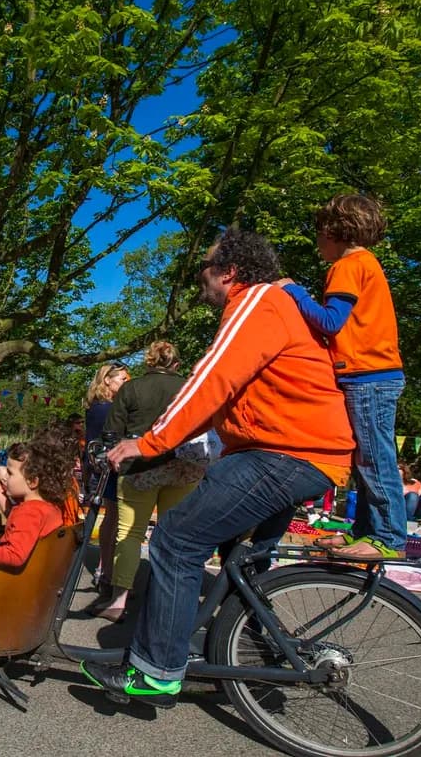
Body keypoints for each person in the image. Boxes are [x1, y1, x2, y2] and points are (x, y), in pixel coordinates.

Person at [81, 228, 354, 707]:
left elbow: (211, 381)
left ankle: (158, 671)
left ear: (229, 272)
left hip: (284, 452)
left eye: (204, 271)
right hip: (302, 452)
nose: (199, 282)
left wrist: (146, 443)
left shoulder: (256, 303)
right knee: (241, 560)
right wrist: (162, 442)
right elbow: (219, 401)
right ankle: (254, 648)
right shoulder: (279, 305)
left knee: (176, 537)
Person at [278, 193, 406, 561]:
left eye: (319, 233)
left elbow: (331, 322)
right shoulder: (367, 263)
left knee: (374, 460)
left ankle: (389, 538)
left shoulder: (348, 266)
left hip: (368, 376)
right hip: (374, 374)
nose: (317, 242)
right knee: (368, 458)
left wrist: (293, 291)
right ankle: (368, 532)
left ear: (335, 231)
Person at [88, 342, 201, 623]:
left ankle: (118, 601)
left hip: (139, 466)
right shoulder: (190, 388)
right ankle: (167, 600)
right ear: (176, 364)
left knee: (130, 533)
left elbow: (111, 434)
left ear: (149, 363)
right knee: (174, 533)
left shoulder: (131, 388)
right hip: (183, 466)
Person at [0, 425, 77, 568]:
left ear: (32, 481)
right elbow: (14, 520)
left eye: (10, 473)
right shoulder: (46, 506)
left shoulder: (29, 513)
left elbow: (14, 555)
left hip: (11, 582)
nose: (7, 476)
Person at [82, 363, 130, 599]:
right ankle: (106, 568)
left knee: (112, 516)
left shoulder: (101, 406)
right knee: (112, 517)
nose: (126, 383)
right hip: (105, 467)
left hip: (103, 466)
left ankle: (106, 567)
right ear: (107, 381)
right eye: (122, 379)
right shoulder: (105, 408)